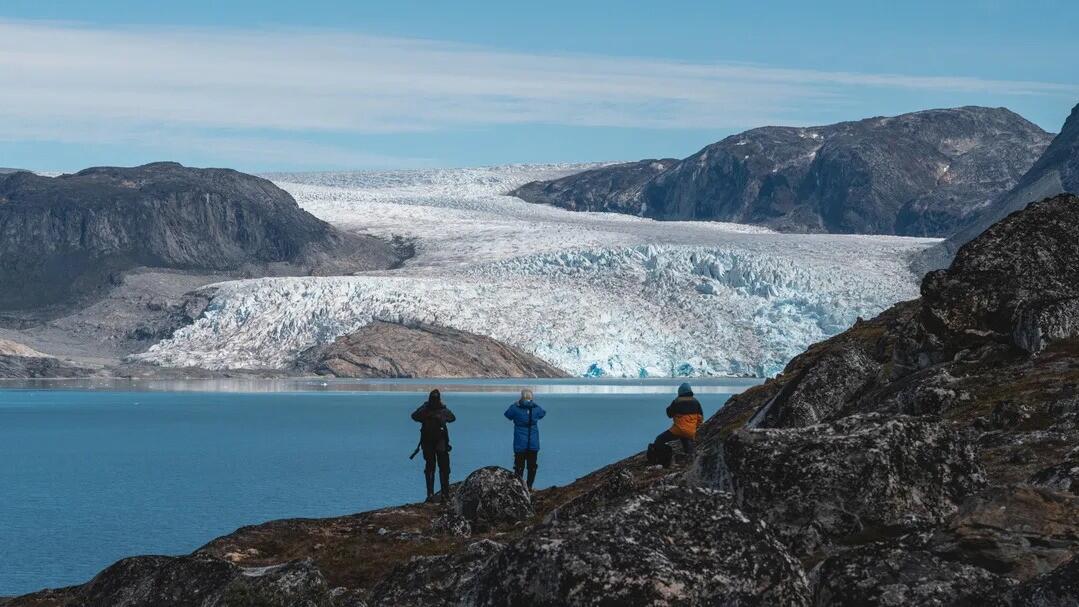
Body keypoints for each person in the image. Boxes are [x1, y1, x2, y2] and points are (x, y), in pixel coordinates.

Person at [411, 389, 455, 502]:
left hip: (430, 442)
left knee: (432, 468)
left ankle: (432, 494)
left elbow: (414, 416)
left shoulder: (426, 410)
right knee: (442, 468)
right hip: (438, 442)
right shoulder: (441, 410)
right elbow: (452, 418)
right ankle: (444, 495)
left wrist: (427, 411)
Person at [504, 388, 546, 490]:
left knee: (519, 466)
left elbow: (507, 414)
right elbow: (543, 413)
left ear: (521, 397)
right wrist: (533, 404)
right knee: (532, 466)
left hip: (520, 442)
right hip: (533, 442)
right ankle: (529, 486)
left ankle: (519, 487)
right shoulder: (536, 409)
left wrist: (515, 404)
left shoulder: (515, 408)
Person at [654, 382, 704, 456]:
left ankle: (666, 456)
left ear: (680, 391)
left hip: (678, 430)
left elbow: (669, 414)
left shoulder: (677, 401)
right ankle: (689, 457)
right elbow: (700, 418)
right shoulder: (696, 402)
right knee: (685, 439)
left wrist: (668, 409)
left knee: (659, 440)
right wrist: (694, 427)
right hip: (691, 431)